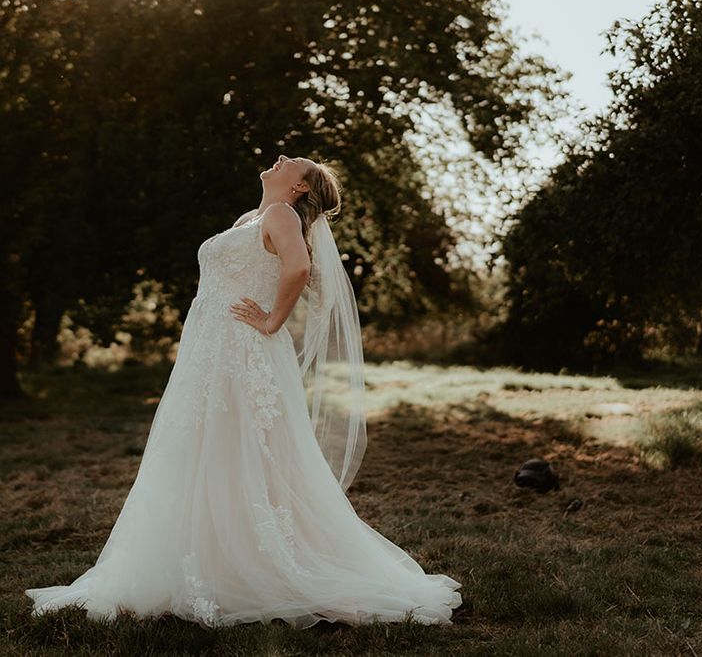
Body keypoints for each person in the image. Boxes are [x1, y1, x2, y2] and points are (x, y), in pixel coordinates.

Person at [25, 154, 463, 629]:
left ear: (298, 187)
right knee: (207, 449)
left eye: (289, 162)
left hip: (243, 352)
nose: (278, 160)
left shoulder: (281, 215)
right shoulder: (251, 219)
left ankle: (261, 568)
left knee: (246, 450)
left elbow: (298, 268)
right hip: (210, 351)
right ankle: (212, 562)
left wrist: (273, 321)